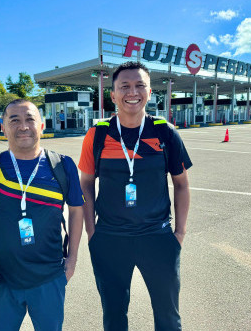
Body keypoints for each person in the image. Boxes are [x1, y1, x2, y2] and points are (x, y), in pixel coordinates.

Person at [78, 61, 192, 331]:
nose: (133, 92)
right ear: (113, 95)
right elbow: (85, 185)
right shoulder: (98, 134)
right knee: (114, 317)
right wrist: (92, 233)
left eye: (140, 85)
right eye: (125, 86)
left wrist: (179, 234)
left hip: (158, 238)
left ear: (150, 92)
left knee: (168, 317)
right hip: (110, 239)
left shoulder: (165, 132)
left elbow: (182, 185)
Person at [0, 99, 84, 331]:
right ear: (3, 127)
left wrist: (72, 259)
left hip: (50, 279)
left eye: (30, 119)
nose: (23, 126)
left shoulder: (63, 165)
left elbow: (76, 211)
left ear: (42, 126)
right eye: (14, 120)